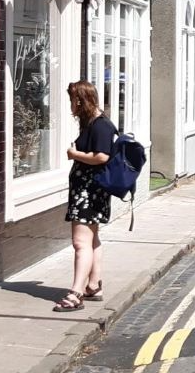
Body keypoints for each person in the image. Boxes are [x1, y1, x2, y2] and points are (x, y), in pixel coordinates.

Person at [55, 81, 117, 312]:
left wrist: (75, 154)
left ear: (80, 100)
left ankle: (76, 293)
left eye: (72, 99)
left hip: (89, 192)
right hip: (88, 190)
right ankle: (93, 285)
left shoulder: (101, 126)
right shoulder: (93, 122)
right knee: (91, 240)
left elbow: (102, 157)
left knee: (80, 243)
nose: (70, 104)